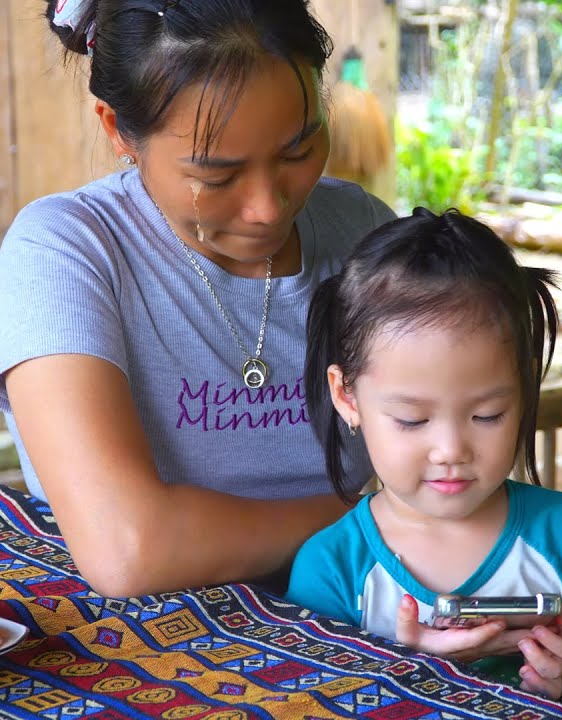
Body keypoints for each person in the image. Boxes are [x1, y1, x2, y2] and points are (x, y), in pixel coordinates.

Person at [0, 0, 396, 597]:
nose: (268, 207)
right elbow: (127, 549)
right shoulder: (65, 252)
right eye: (216, 177)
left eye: (298, 150)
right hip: (159, 653)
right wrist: (387, 524)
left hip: (370, 609)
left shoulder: (361, 234)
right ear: (116, 129)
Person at [285, 208, 562, 700]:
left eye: (487, 415)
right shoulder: (331, 569)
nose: (451, 450)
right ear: (347, 398)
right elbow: (307, 702)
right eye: (412, 420)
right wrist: (409, 670)